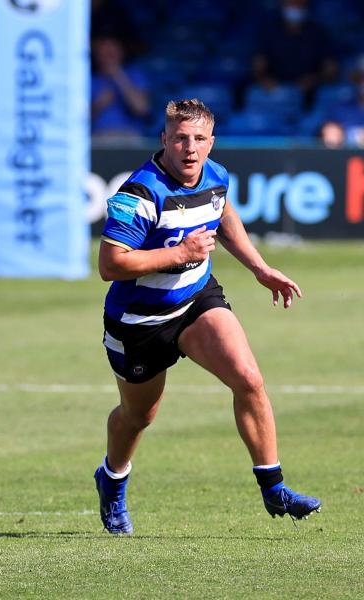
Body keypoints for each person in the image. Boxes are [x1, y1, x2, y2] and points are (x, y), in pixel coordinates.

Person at [94, 99, 321, 535]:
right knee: (138, 417)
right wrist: (179, 253)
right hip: (140, 321)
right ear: (164, 140)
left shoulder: (216, 176)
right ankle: (113, 478)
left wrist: (259, 267)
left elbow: (223, 214)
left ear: (211, 142)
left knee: (249, 378)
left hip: (196, 301)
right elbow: (111, 264)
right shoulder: (140, 192)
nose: (190, 148)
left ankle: (273, 486)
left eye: (199, 139)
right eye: (180, 138)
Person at [91, 35, 150, 140]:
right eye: (104, 53)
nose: (108, 57)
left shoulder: (134, 75)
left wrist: (118, 75)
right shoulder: (89, 79)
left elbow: (141, 108)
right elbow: (77, 120)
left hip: (129, 135)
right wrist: (99, 104)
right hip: (98, 137)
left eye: (111, 53)